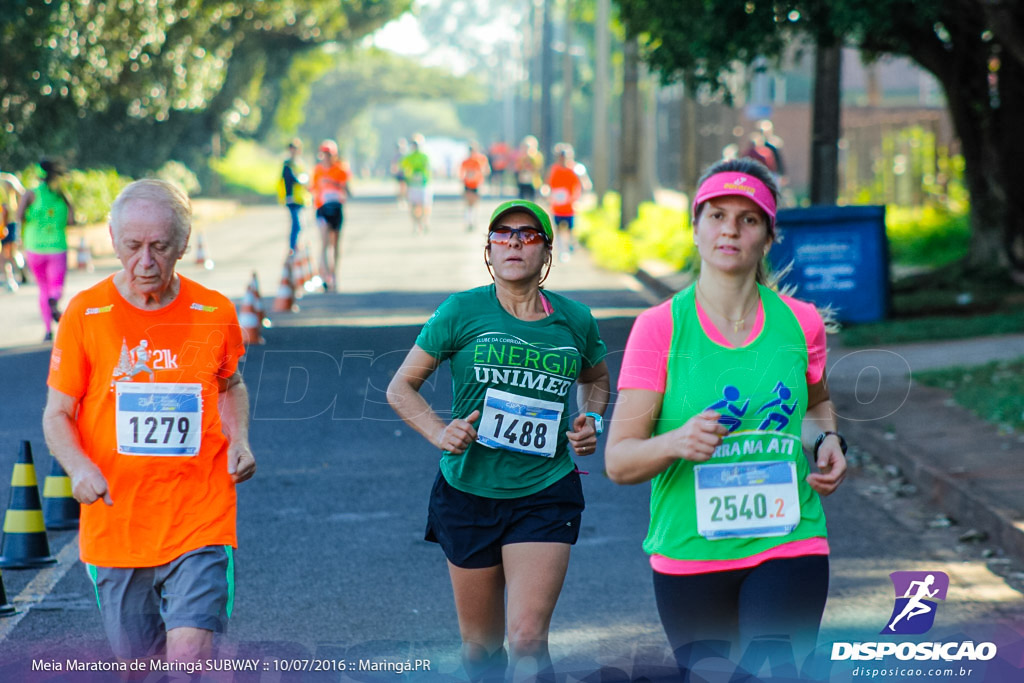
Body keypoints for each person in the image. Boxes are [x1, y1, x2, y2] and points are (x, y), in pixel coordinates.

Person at [604, 157, 847, 676]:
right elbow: (619, 462)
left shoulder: (800, 324)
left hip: (789, 539)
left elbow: (817, 404)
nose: (730, 229)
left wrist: (828, 442)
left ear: (768, 236)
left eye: (748, 218)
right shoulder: (659, 328)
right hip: (690, 551)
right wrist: (675, 442)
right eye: (716, 215)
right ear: (695, 228)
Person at [387, 200, 610, 682]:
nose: (514, 241)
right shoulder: (461, 310)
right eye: (503, 233)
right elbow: (400, 387)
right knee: (481, 651)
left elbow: (597, 379)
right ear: (488, 249)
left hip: (545, 491)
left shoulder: (575, 319)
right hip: (468, 493)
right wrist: (438, 431)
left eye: (528, 235)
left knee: (528, 641)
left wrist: (589, 416)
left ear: (546, 252)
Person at [41, 178, 256, 667]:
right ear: (113, 241)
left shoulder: (213, 311)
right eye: (133, 246)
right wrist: (78, 468)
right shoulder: (85, 314)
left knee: (188, 655)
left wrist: (240, 438)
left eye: (159, 246)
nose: (145, 261)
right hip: (117, 522)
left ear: (182, 244)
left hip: (200, 516)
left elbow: (231, 385)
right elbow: (57, 414)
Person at [17, 158, 76, 341]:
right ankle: (55, 300)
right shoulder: (62, 195)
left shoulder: (30, 195)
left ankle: (48, 330)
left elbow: (19, 216)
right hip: (57, 246)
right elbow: (72, 220)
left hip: (34, 247)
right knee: (56, 286)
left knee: (42, 287)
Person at [311, 139, 351, 292]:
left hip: (337, 209)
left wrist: (332, 183)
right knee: (324, 243)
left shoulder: (340, 169)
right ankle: (325, 275)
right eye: (324, 154)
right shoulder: (317, 170)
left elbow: (346, 189)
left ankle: (334, 275)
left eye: (329, 154)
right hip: (322, 209)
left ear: (334, 155)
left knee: (335, 245)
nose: (326, 157)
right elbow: (313, 188)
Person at [544, 143, 586, 262]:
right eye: (560, 157)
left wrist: (577, 197)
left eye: (565, 156)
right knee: (557, 228)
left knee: (569, 230)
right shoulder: (553, 169)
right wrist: (547, 194)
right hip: (557, 206)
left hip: (570, 206)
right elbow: (547, 185)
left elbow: (584, 185)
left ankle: (569, 246)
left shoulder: (575, 170)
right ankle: (561, 250)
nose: (563, 159)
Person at [280, 138, 309, 252]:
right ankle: (293, 248)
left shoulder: (300, 164)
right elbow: (288, 180)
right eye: (291, 148)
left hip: (301, 198)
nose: (293, 151)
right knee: (297, 225)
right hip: (291, 199)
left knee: (300, 225)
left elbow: (306, 179)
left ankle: (296, 246)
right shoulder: (287, 164)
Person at [1, 170, 27, 291]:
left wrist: (20, 212)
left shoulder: (7, 179)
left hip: (10, 220)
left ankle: (20, 272)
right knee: (4, 252)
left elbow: (22, 194)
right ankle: (9, 278)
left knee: (10, 251)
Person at [401, 135, 432, 235]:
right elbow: (402, 168)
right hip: (412, 185)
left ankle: (424, 222)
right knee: (413, 207)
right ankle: (416, 224)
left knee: (424, 206)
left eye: (417, 144)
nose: (415, 146)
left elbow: (429, 169)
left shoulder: (425, 156)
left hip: (423, 184)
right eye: (414, 144)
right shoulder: (408, 157)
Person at [459, 142, 491, 232]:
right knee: (469, 204)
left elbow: (487, 170)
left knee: (475, 204)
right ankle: (469, 222)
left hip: (477, 184)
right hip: (468, 184)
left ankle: (474, 221)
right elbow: (462, 174)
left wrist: (480, 173)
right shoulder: (465, 161)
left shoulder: (482, 159)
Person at [513, 136, 544, 201]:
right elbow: (518, 168)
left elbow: (538, 168)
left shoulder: (537, 156)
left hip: (533, 182)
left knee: (532, 200)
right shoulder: (520, 157)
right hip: (523, 181)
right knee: (522, 200)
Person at [390, 138, 409, 209]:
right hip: (399, 174)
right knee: (400, 188)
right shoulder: (397, 156)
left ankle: (403, 200)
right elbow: (394, 165)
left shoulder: (405, 155)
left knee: (404, 188)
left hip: (404, 174)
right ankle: (400, 200)